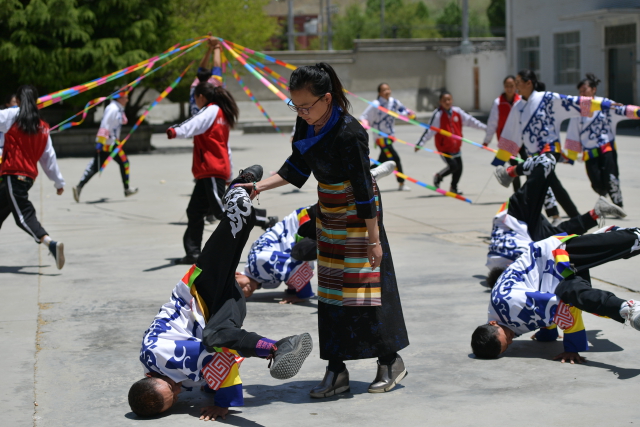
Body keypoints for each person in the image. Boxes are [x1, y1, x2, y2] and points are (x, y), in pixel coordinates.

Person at [234, 63, 410, 397]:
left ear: (327, 98)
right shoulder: (306, 122)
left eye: (306, 106)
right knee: (330, 292)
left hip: (361, 214)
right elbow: (296, 166)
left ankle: (389, 361)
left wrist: (374, 241)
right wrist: (259, 187)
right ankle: (336, 369)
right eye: (295, 106)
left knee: (364, 292)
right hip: (328, 210)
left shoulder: (350, 132)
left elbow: (361, 187)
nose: (301, 113)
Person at [129, 167, 313, 420]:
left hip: (196, 292)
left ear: (152, 378)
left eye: (173, 391)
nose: (180, 391)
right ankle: (280, 347)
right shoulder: (154, 365)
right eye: (176, 397)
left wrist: (223, 402)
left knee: (233, 233)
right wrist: (210, 385)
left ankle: (240, 187)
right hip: (220, 309)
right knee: (218, 335)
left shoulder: (167, 360)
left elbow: (219, 363)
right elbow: (206, 367)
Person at [238, 161, 398, 305]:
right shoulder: (261, 277)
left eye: (238, 286)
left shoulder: (259, 263)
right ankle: (364, 180)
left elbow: (292, 267)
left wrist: (302, 294)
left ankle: (367, 178)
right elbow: (285, 270)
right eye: (243, 294)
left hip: (304, 224)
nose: (244, 291)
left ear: (237, 274)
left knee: (338, 211)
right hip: (305, 229)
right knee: (344, 213)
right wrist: (293, 290)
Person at [471, 227, 640, 363]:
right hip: (556, 279)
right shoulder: (503, 322)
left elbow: (557, 308)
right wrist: (547, 334)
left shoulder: (507, 304)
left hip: (555, 256)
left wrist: (572, 348)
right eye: (507, 346)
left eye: (506, 338)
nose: (511, 340)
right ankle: (627, 309)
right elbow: (538, 310)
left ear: (492, 323)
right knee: (578, 294)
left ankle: (609, 233)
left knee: (626, 243)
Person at [491, 69, 629, 220]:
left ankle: (551, 215)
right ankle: (569, 217)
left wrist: (603, 104)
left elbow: (572, 102)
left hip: (549, 149)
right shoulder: (518, 107)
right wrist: (502, 156)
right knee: (549, 184)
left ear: (528, 83)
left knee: (538, 183)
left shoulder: (548, 98)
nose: (516, 86)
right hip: (533, 154)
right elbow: (511, 131)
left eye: (518, 82)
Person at [488, 153, 626, 274]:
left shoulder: (514, 270)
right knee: (556, 237)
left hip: (514, 215)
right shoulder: (498, 265)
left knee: (547, 161)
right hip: (528, 235)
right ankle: (596, 212)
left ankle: (509, 172)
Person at [167, 82, 238, 265]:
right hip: (210, 171)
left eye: (195, 98)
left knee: (221, 210)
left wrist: (175, 131)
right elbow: (226, 146)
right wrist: (229, 170)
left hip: (212, 169)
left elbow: (192, 123)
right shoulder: (220, 113)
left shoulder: (211, 110)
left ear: (201, 97)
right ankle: (193, 253)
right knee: (195, 211)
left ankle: (261, 220)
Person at [0, 85, 66, 269]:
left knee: (23, 216)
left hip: (14, 175)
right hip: (27, 178)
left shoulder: (12, 116)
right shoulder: (43, 127)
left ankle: (50, 243)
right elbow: (49, 158)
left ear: (18, 101)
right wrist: (58, 182)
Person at [565, 73, 639, 208]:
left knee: (611, 177)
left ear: (593, 90)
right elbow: (573, 133)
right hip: (589, 151)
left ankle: (618, 205)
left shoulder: (605, 104)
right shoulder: (578, 109)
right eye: (580, 91)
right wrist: (571, 156)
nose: (582, 94)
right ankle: (603, 198)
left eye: (585, 90)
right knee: (596, 181)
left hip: (606, 147)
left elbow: (621, 109)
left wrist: (636, 112)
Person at [72, 88, 138, 202]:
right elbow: (105, 126)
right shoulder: (112, 109)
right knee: (124, 163)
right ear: (120, 98)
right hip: (110, 143)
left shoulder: (117, 109)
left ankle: (79, 187)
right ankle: (126, 189)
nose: (127, 100)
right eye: (126, 97)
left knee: (96, 166)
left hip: (110, 143)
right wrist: (99, 143)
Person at [415, 90, 487, 195]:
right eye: (444, 100)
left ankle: (454, 187)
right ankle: (438, 176)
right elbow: (429, 130)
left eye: (449, 100)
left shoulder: (457, 112)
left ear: (452, 100)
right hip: (444, 147)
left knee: (459, 168)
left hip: (456, 147)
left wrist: (485, 128)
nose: (447, 102)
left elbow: (471, 121)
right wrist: (420, 144)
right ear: (440, 102)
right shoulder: (438, 114)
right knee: (453, 166)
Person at [360, 83, 415, 191]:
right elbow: (365, 116)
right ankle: (401, 183)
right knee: (395, 159)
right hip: (381, 139)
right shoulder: (376, 104)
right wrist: (365, 123)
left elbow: (403, 110)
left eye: (388, 89)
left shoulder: (393, 102)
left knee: (381, 162)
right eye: (384, 90)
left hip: (390, 137)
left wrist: (410, 113)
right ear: (379, 93)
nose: (387, 91)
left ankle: (363, 176)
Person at [483, 76, 525, 191]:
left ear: (516, 86)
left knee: (527, 164)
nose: (509, 88)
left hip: (522, 139)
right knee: (514, 166)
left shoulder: (521, 100)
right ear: (504, 87)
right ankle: (518, 192)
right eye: (507, 86)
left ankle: (529, 191)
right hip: (508, 141)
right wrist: (487, 140)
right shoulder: (498, 102)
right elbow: (492, 122)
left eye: (512, 86)